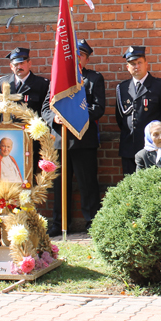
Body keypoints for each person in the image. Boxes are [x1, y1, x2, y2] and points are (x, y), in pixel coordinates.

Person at [45, 39, 105, 235]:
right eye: (74, 55)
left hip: (84, 140)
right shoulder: (57, 79)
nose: (77, 58)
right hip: (60, 141)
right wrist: (54, 118)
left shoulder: (94, 79)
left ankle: (92, 222)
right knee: (60, 185)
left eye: (82, 55)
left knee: (87, 183)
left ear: (87, 59)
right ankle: (60, 223)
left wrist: (73, 115)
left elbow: (98, 108)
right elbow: (46, 108)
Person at [115, 46, 161, 175]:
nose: (136, 66)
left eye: (139, 62)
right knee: (130, 187)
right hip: (129, 147)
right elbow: (120, 118)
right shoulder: (122, 88)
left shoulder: (160, 86)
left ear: (146, 64)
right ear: (127, 67)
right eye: (133, 64)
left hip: (153, 148)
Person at [0, 47, 50, 115]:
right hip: (8, 125)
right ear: (11, 66)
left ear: (29, 64)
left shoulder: (42, 84)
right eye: (16, 64)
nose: (19, 67)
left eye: (22, 63)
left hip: (31, 125)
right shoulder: (2, 83)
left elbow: (46, 111)